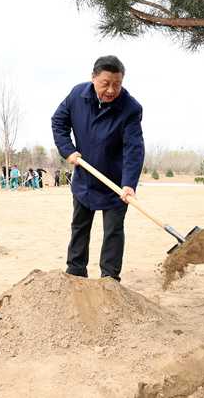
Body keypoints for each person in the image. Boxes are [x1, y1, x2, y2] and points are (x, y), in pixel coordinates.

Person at [51, 55, 145, 282]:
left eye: (117, 84)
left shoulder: (131, 108)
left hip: (116, 183)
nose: (111, 90)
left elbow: (134, 148)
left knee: (113, 231)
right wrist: (68, 150)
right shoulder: (77, 95)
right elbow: (58, 122)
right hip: (85, 176)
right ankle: (75, 273)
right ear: (93, 78)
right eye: (106, 83)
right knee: (79, 227)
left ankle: (110, 279)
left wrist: (129, 184)